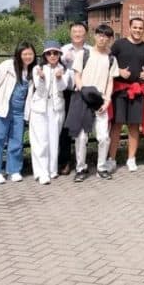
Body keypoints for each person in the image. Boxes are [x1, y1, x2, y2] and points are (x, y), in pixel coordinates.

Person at [68, 23, 118, 182]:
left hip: (101, 101)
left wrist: (108, 100)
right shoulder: (84, 54)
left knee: (103, 137)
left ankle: (101, 167)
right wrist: (85, 92)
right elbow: (77, 76)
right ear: (95, 36)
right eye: (100, 35)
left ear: (110, 39)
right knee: (81, 137)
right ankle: (80, 168)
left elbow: (110, 81)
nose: (102, 39)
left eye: (106, 36)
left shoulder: (111, 58)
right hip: (83, 100)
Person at [0, 41, 37, 184]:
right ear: (18, 54)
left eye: (30, 54)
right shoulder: (7, 66)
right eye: (24, 54)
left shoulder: (33, 71)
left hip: (19, 111)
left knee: (17, 141)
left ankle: (14, 170)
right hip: (1, 108)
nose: (27, 57)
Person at [108, 17, 144, 172]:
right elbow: (108, 62)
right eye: (135, 27)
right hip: (120, 91)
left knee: (134, 126)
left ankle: (131, 159)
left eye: (140, 28)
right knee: (116, 125)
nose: (137, 30)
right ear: (129, 27)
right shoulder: (119, 44)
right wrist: (118, 71)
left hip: (138, 92)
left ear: (143, 29)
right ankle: (111, 159)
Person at [29, 40, 72, 185]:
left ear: (60, 54)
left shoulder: (64, 69)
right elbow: (40, 90)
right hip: (40, 108)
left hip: (57, 109)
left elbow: (62, 88)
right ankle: (42, 172)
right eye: (49, 53)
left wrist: (59, 78)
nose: (52, 56)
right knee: (41, 141)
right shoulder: (38, 68)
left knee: (54, 141)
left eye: (55, 53)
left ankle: (52, 170)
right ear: (45, 55)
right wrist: (41, 78)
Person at [58, 22, 90, 175]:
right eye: (74, 31)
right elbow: (50, 65)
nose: (77, 34)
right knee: (65, 128)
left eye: (80, 31)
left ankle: (81, 162)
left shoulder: (90, 51)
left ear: (86, 34)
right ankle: (65, 161)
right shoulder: (62, 50)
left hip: (83, 94)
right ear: (70, 33)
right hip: (66, 93)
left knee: (82, 129)